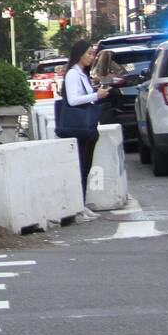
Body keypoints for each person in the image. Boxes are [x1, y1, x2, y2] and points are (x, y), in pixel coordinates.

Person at [61, 40, 109, 220]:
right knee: (81, 166)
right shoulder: (73, 74)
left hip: (88, 127)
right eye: (88, 53)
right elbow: (73, 100)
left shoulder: (82, 74)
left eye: (92, 53)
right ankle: (78, 206)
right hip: (78, 127)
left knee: (87, 166)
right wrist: (97, 95)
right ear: (79, 53)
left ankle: (82, 203)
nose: (91, 57)